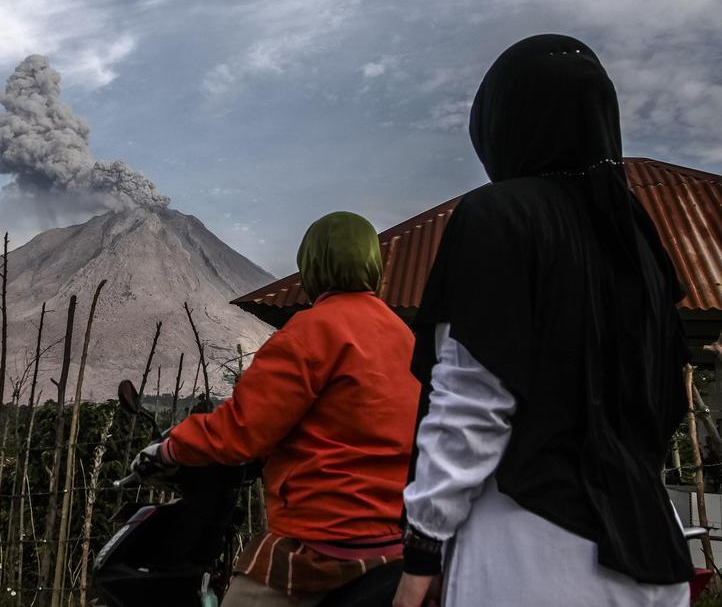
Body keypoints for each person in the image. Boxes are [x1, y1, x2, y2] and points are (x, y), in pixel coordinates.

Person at [393, 34, 693, 607]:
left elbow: (471, 400)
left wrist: (422, 550)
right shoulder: (640, 243)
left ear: (504, 122)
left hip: (535, 553)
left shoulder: (499, 216)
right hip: (657, 557)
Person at [133, 211, 420, 606]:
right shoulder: (402, 334)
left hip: (324, 538)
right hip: (396, 539)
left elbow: (242, 429)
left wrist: (169, 448)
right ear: (373, 262)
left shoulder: (311, 331)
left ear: (312, 264)